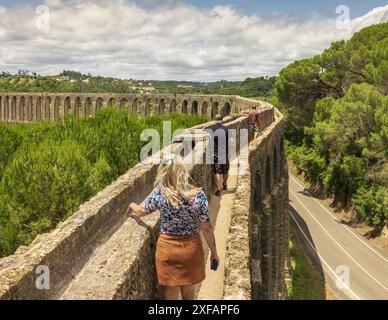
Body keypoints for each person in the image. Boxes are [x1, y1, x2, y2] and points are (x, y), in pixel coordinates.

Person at [127, 154, 219, 300]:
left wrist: (132, 205)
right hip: (191, 250)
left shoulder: (160, 193)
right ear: (183, 171)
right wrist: (214, 252)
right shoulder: (198, 196)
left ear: (163, 172)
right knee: (189, 296)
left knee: (170, 297)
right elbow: (206, 227)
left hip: (167, 250)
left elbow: (141, 211)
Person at [204, 114, 230, 197]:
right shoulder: (226, 129)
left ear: (215, 120)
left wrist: (209, 124)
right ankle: (225, 185)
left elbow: (203, 129)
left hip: (215, 153)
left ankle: (218, 189)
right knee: (225, 170)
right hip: (225, 152)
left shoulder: (211, 129)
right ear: (222, 120)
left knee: (217, 171)